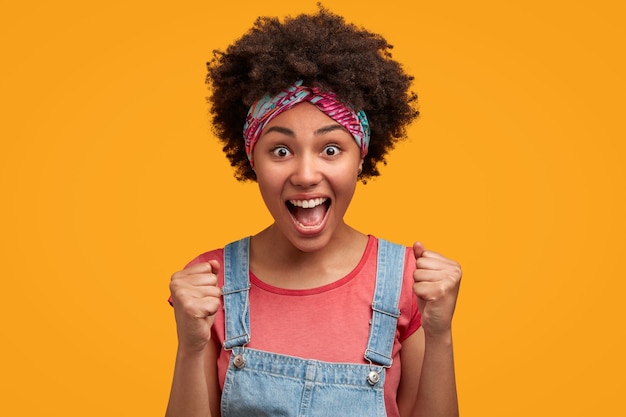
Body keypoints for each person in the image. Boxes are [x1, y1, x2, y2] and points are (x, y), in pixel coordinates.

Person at [166, 6, 462, 417]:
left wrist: (441, 334)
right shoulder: (211, 284)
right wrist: (191, 345)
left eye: (331, 149)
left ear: (361, 157)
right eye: (281, 150)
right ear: (253, 159)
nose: (306, 175)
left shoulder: (409, 282)